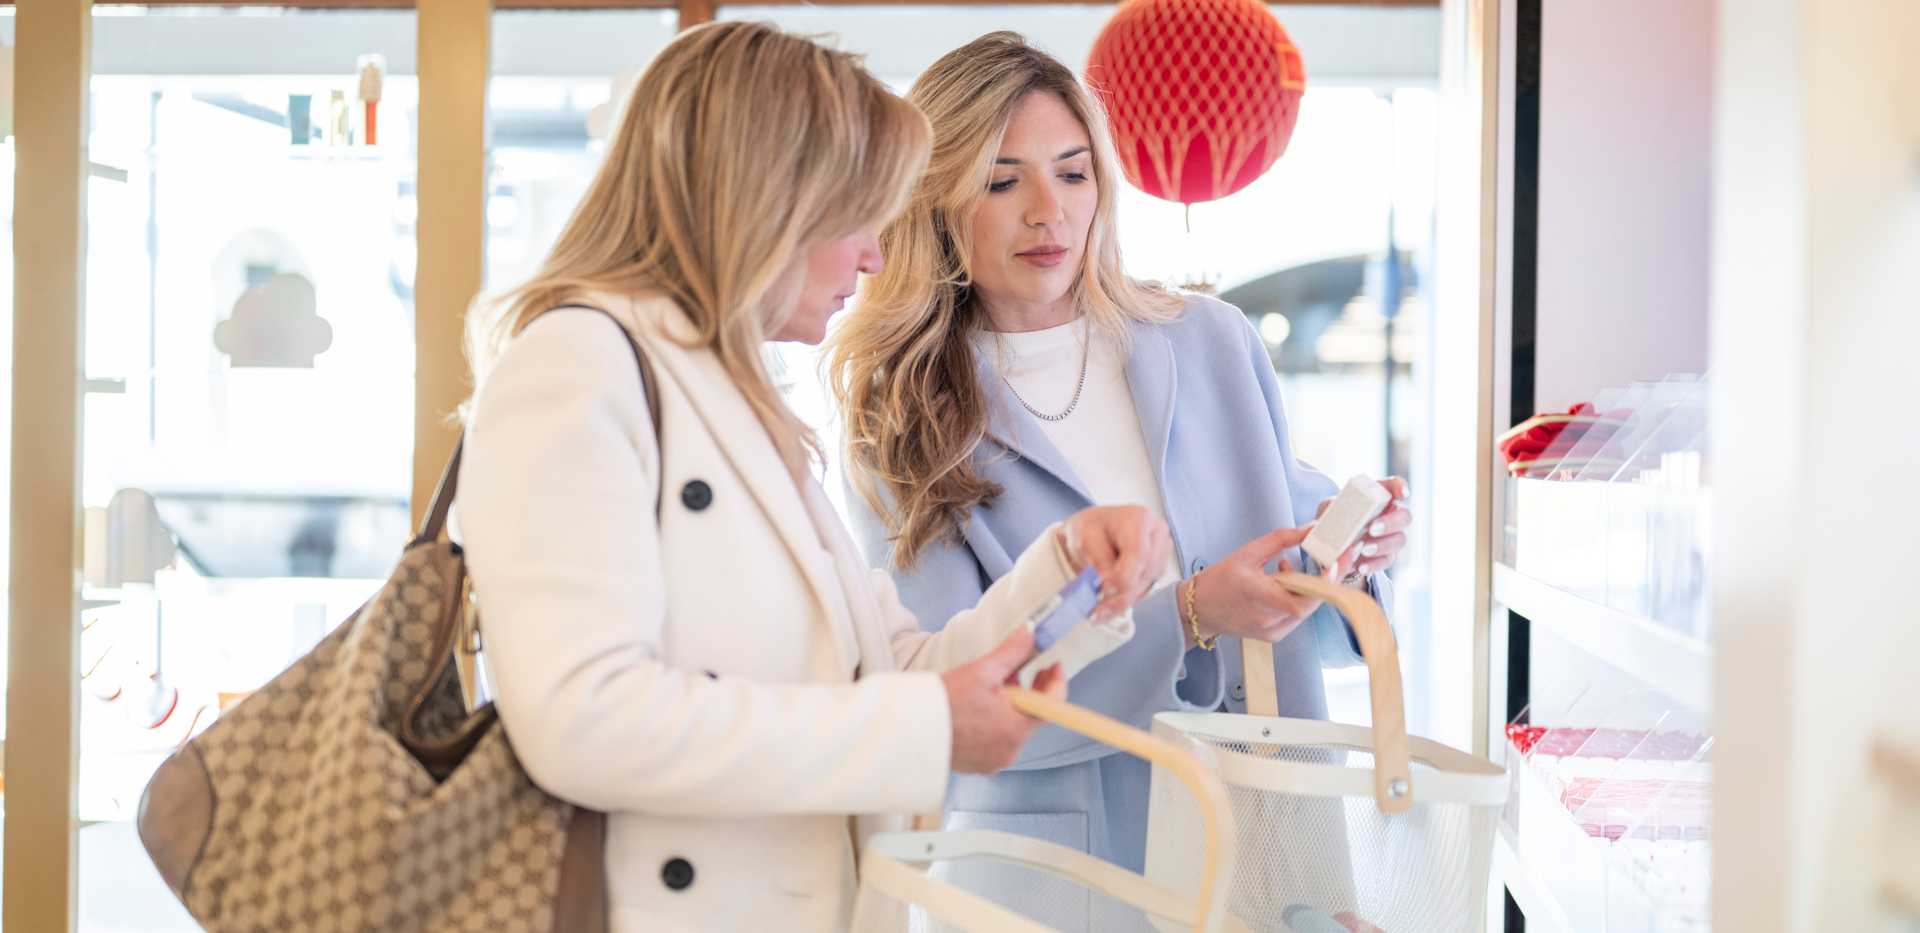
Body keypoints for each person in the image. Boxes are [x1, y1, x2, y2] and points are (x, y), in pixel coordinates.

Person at [454, 22, 1172, 933]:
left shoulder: (733, 397)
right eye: (857, 216)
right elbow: (581, 719)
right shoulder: (577, 365)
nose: (876, 255)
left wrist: (1064, 570)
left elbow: (890, 663)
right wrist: (926, 729)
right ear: (766, 204)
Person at [826, 31, 1413, 926]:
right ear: (935, 202)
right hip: (1060, 878)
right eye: (1001, 181)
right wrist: (1191, 614)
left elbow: (1303, 599)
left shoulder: (1211, 341)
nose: (1048, 212)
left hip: (1268, 834)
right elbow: (952, 703)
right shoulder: (900, 416)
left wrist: (1349, 557)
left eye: (1073, 172)